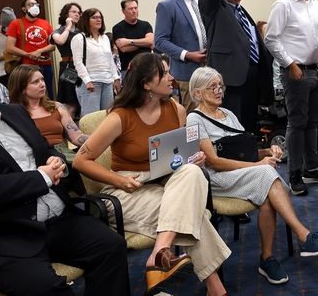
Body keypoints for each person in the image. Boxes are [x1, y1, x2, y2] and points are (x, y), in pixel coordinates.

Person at [0, 67, 130, 295]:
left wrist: (56, 164)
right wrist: (41, 177)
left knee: (112, 247)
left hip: (57, 221)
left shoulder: (14, 113)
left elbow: (44, 150)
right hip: (3, 237)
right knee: (49, 289)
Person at [73, 53, 230, 295]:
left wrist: (193, 158)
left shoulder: (175, 109)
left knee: (192, 171)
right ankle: (216, 290)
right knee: (193, 216)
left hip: (166, 180)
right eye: (164, 73)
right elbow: (81, 161)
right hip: (128, 187)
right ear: (146, 83)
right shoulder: (120, 116)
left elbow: (178, 154)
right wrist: (120, 180)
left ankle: (158, 254)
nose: (171, 77)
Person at [187, 66, 318, 284]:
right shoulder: (195, 119)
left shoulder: (227, 114)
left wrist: (267, 151)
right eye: (213, 87)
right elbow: (214, 161)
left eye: (221, 86)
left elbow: (243, 150)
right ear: (198, 92)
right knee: (266, 172)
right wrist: (258, 164)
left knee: (267, 191)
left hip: (242, 173)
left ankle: (267, 258)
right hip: (217, 178)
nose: (220, 90)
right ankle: (303, 235)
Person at [265, 0, 318, 196]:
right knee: (296, 124)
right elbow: (271, 39)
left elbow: (316, 37)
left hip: (317, 70)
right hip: (295, 72)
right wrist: (289, 63)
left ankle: (312, 168)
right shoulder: (283, 5)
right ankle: (295, 173)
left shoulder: (315, 4)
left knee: (314, 123)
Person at [196, 0, 273, 133]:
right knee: (233, 130)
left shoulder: (243, 12)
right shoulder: (213, 8)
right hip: (230, 83)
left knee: (249, 129)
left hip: (252, 81)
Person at [155, 0, 213, 111]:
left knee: (213, 112)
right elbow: (160, 41)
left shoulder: (204, 0)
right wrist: (187, 55)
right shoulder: (168, 5)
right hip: (187, 72)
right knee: (193, 117)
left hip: (211, 67)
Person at [8, 64, 88, 162]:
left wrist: (103, 137)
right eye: (35, 82)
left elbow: (77, 137)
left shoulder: (56, 106)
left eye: (42, 80)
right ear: (22, 88)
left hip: (64, 155)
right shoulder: (14, 114)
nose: (42, 84)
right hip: (36, 158)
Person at [71, 8, 120, 117]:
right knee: (91, 117)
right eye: (94, 17)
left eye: (100, 17)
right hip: (90, 82)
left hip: (107, 81)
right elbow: (78, 62)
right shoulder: (79, 38)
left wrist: (116, 78)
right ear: (86, 20)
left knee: (108, 116)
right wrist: (87, 81)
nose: (98, 20)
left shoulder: (105, 38)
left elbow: (110, 59)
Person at [6, 0, 55, 98]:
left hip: (45, 65)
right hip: (26, 66)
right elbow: (9, 47)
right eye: (30, 4)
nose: (34, 6)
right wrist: (29, 55)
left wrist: (40, 51)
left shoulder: (45, 23)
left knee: (47, 93)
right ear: (24, 9)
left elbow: (53, 45)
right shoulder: (16, 23)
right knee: (28, 94)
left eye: (36, 4)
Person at [51, 2, 82, 118]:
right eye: (74, 12)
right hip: (69, 67)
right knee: (71, 104)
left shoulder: (82, 31)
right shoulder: (58, 31)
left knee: (84, 101)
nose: (77, 14)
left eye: (79, 13)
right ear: (66, 14)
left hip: (83, 66)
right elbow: (60, 41)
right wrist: (68, 26)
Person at [112, 0, 154, 78]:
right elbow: (124, 49)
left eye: (136, 8)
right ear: (123, 11)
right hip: (128, 70)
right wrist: (144, 44)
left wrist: (129, 41)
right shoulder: (118, 28)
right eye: (130, 9)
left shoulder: (146, 25)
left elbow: (150, 42)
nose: (134, 11)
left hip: (148, 68)